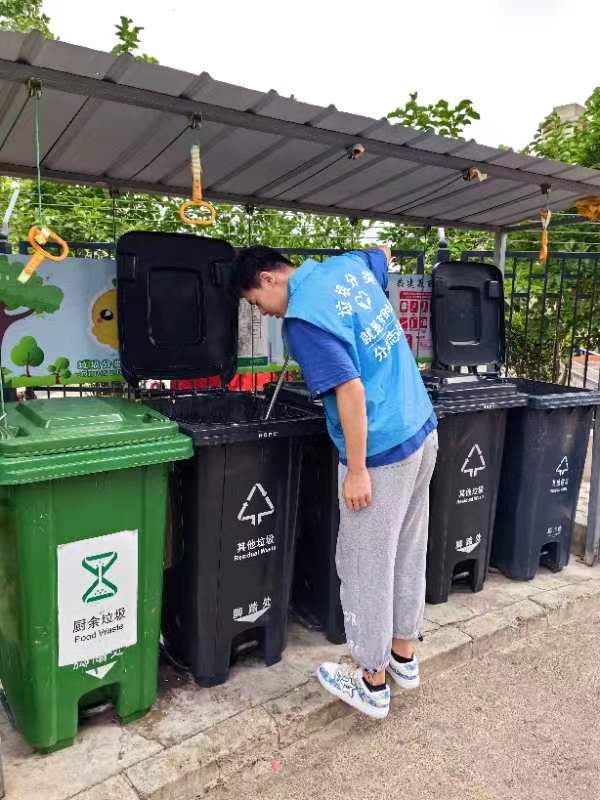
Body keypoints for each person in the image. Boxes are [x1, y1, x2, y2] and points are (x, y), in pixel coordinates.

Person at [233, 245, 437, 720]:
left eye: (255, 302)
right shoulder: (346, 267)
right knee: (408, 548)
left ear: (268, 278)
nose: (262, 313)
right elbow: (380, 254)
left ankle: (372, 681)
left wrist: (358, 469)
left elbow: (350, 390)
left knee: (366, 564)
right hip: (421, 428)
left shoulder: (303, 319)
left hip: (381, 449)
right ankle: (403, 656)